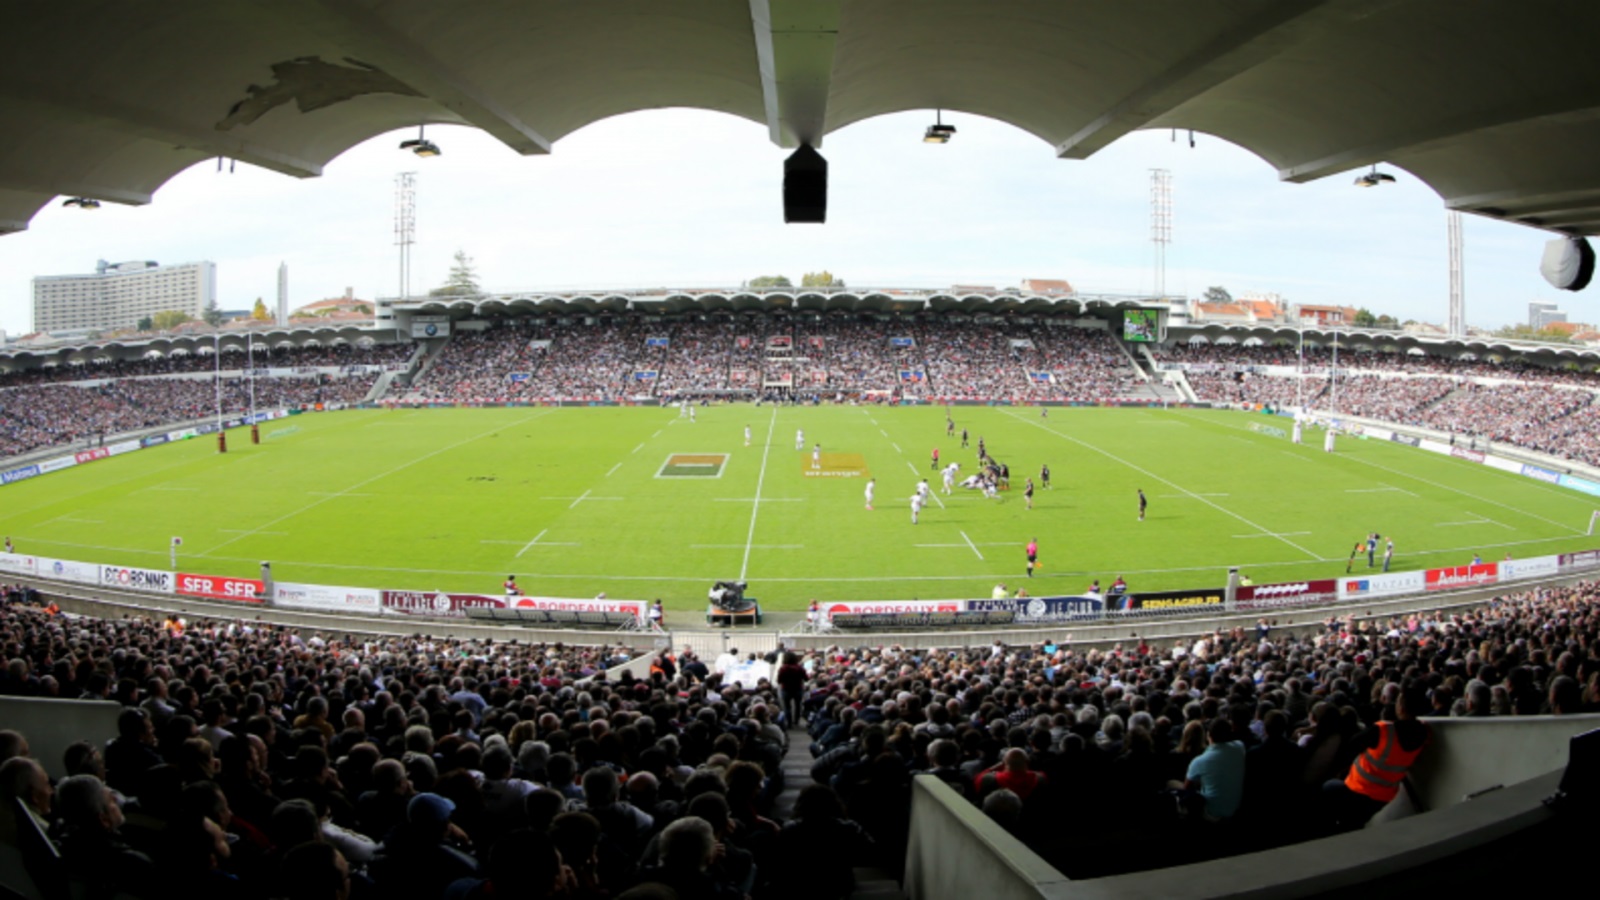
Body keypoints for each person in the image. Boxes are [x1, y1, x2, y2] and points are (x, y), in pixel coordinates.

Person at [1324, 688, 1431, 832]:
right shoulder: (1424, 733)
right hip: (1383, 797)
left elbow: (1351, 747)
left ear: (1400, 707)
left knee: (1328, 787)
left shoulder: (1384, 731)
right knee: (1356, 821)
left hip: (1358, 789)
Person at [1177, 719, 1246, 822]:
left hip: (1211, 813)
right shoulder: (1240, 747)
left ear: (1208, 735)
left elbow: (1186, 789)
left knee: (1172, 784)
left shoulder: (1199, 761)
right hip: (1235, 809)